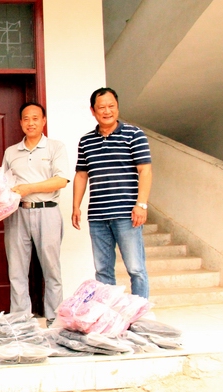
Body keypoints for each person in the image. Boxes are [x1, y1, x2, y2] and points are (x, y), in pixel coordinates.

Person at [72, 87, 152, 299]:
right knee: (103, 271)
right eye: (102, 107)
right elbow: (81, 175)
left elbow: (145, 171)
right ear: (93, 111)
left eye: (111, 106)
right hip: (98, 216)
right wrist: (76, 206)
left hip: (128, 214)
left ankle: (139, 312)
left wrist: (141, 205)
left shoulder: (134, 135)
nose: (107, 111)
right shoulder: (86, 141)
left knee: (136, 269)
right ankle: (107, 312)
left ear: (117, 107)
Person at [3, 102, 70, 327]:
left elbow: (61, 180)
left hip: (47, 211)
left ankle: (54, 318)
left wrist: (29, 188)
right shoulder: (11, 152)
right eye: (26, 119)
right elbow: (4, 184)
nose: (30, 123)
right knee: (16, 269)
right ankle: (20, 319)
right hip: (17, 213)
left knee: (51, 268)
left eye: (35, 118)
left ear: (43, 121)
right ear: (20, 122)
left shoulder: (55, 147)